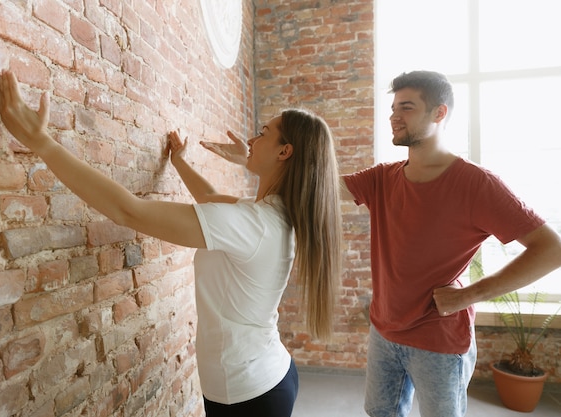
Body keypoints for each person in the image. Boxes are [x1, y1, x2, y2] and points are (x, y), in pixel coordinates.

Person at [201, 70, 561, 417]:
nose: (394, 116)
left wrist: (469, 296)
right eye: (393, 108)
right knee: (380, 413)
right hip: (384, 333)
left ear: (440, 113)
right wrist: (256, 162)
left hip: (439, 341)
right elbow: (315, 185)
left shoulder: (477, 184)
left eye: (406, 107)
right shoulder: (383, 178)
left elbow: (551, 249)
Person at [0, 70, 342, 417]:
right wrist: (179, 161)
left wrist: (42, 142)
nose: (252, 138)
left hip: (249, 393)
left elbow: (127, 211)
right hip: (267, 376)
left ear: (285, 152)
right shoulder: (272, 215)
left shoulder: (255, 223)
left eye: (262, 134)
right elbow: (208, 197)